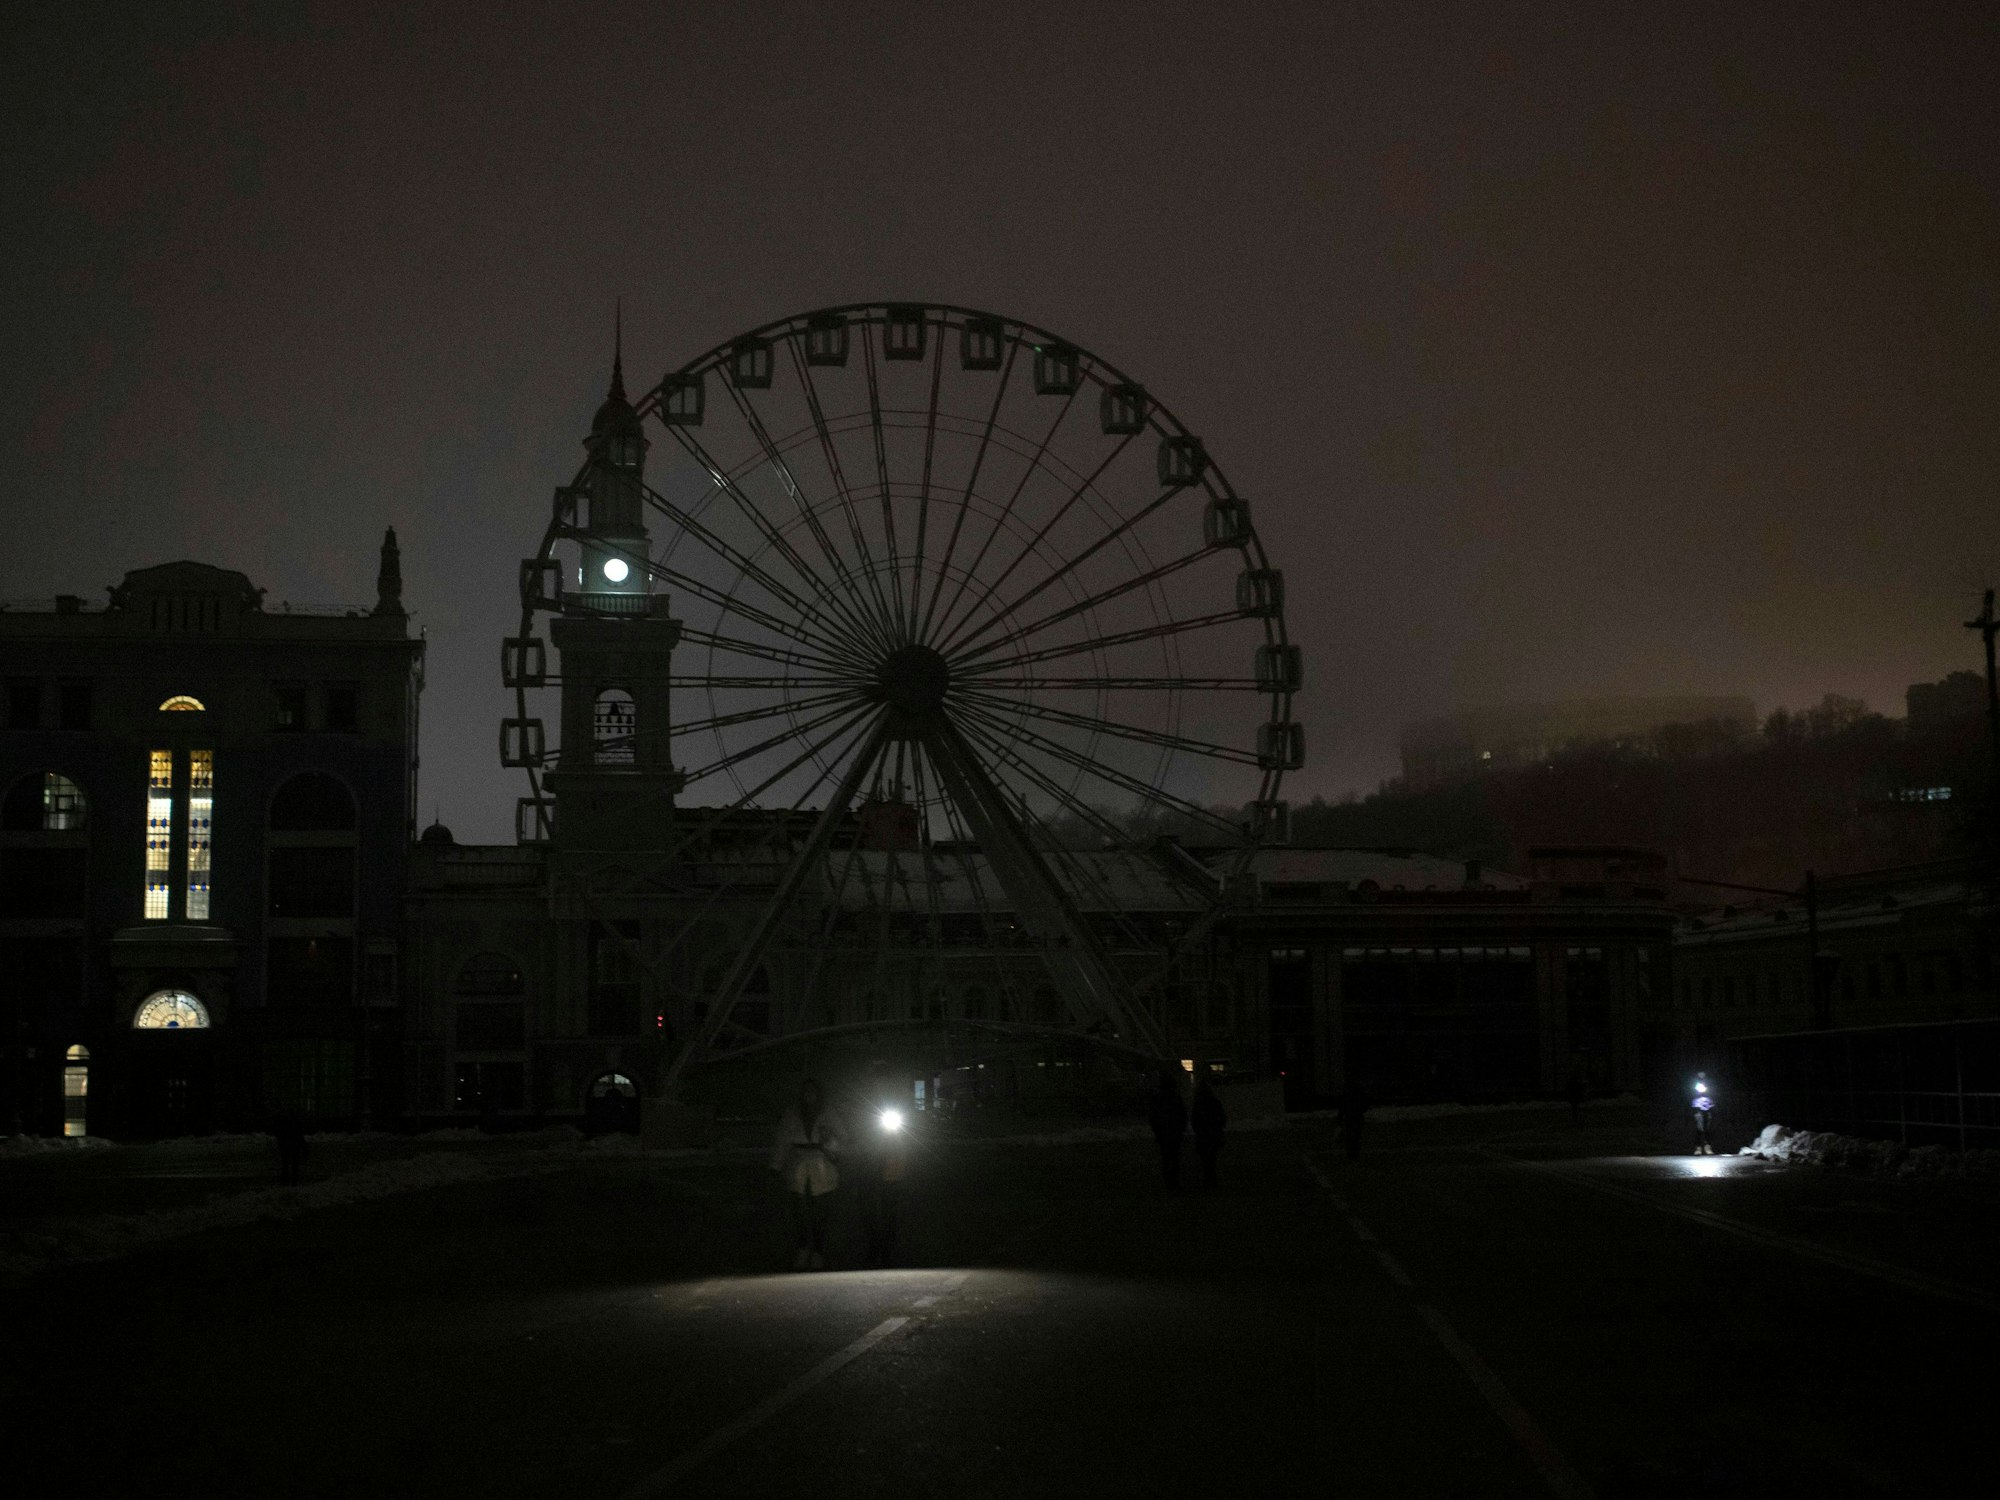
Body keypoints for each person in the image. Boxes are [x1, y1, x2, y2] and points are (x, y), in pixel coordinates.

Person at [770, 1078, 843, 1269]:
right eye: (806, 1092)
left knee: (820, 1212)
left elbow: (842, 1137)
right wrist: (776, 1166)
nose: (809, 1096)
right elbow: (783, 1140)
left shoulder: (828, 1113)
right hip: (798, 1165)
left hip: (821, 1164)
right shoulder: (793, 1114)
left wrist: (830, 1142)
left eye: (813, 1092)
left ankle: (818, 1251)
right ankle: (803, 1249)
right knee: (799, 1212)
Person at [854, 1065, 909, 1267]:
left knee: (888, 1206)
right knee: (869, 1205)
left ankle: (884, 1249)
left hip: (889, 1158)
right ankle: (876, 1245)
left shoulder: (894, 1102)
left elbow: (903, 1132)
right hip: (869, 1159)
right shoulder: (864, 1102)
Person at [1148, 1068, 1188, 1190]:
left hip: (1164, 1134)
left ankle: (1168, 1182)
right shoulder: (1175, 1097)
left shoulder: (1158, 1098)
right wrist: (1181, 1128)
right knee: (1175, 1159)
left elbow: (1153, 1117)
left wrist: (1158, 1131)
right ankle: (1175, 1182)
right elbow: (1183, 1114)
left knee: (1166, 1159)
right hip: (1174, 1133)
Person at [1190, 1069, 1227, 1189]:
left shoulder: (1198, 1103)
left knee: (1205, 1161)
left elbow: (1194, 1120)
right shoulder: (1214, 1101)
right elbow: (1222, 1117)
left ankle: (1208, 1181)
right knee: (1212, 1160)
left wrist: (1198, 1130)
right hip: (1213, 1135)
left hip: (1203, 1136)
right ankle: (1212, 1181)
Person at [1338, 1082, 1368, 1161]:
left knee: (1351, 1135)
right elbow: (1365, 1105)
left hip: (1351, 1116)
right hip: (1355, 1116)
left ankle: (1352, 1153)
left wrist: (1340, 1118)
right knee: (1356, 1135)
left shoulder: (1347, 1094)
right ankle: (1354, 1153)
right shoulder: (1359, 1094)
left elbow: (1342, 1106)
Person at [1690, 1071, 1717, 1156]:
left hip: (1707, 1107)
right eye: (1700, 1074)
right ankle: (1698, 1148)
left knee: (1708, 1129)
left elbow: (1712, 1093)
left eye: (1703, 1074)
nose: (1701, 1075)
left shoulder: (1709, 1082)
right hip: (1698, 1108)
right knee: (1699, 1129)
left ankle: (1707, 1147)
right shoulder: (1694, 1083)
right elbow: (1693, 1093)